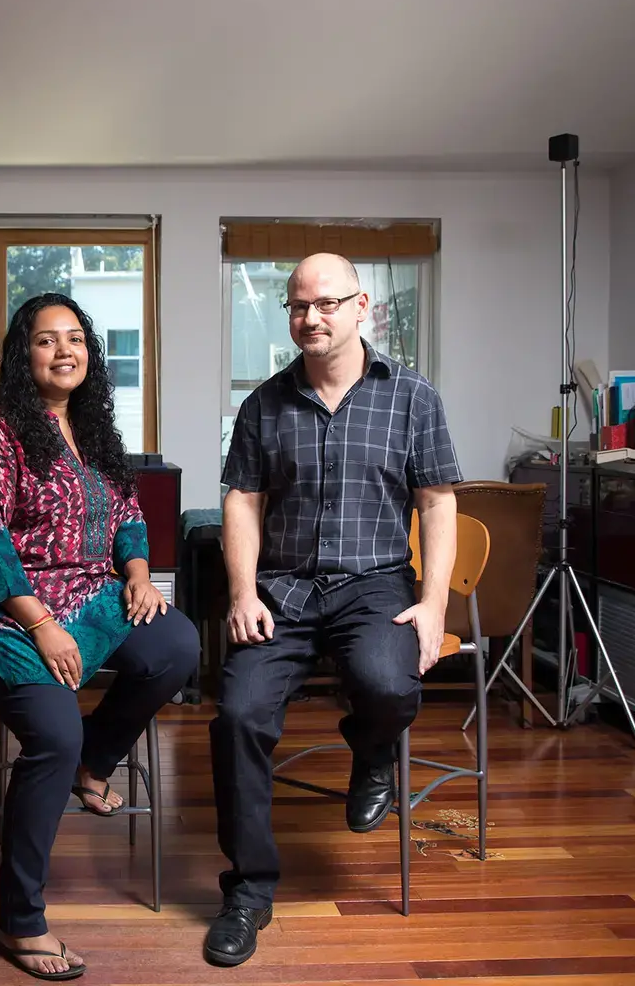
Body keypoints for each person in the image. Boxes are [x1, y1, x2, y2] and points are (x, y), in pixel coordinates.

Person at [203, 253, 461, 967]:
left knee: (388, 683)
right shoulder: (263, 404)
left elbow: (438, 503)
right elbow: (242, 501)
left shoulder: (412, 396)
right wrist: (243, 591)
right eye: (297, 305)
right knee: (239, 716)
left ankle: (371, 748)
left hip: (374, 583)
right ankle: (249, 893)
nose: (309, 317)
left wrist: (434, 603)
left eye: (324, 303)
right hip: (282, 588)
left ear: (361, 306)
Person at [0, 292, 200, 981]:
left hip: (92, 597)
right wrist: (43, 626)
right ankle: (21, 924)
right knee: (54, 735)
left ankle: (94, 767)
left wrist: (139, 575)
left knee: (176, 645)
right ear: (25, 355)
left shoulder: (97, 429)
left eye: (75, 338)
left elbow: (130, 517)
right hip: (0, 613)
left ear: (90, 353)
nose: (64, 351)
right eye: (47, 340)